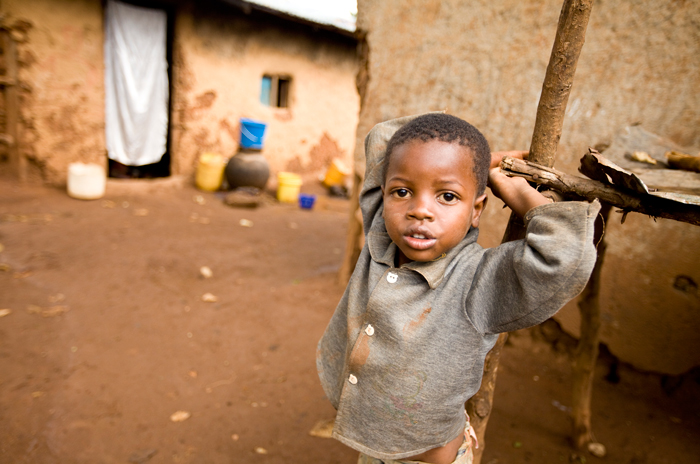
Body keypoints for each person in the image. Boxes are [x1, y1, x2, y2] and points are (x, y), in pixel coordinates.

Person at [317, 113, 600, 464]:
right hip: (376, 449)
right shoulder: (380, 231)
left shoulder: (479, 280)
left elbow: (566, 255)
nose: (420, 210)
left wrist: (520, 195)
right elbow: (382, 136)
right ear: (385, 193)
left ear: (476, 209)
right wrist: (477, 164)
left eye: (447, 196)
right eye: (402, 191)